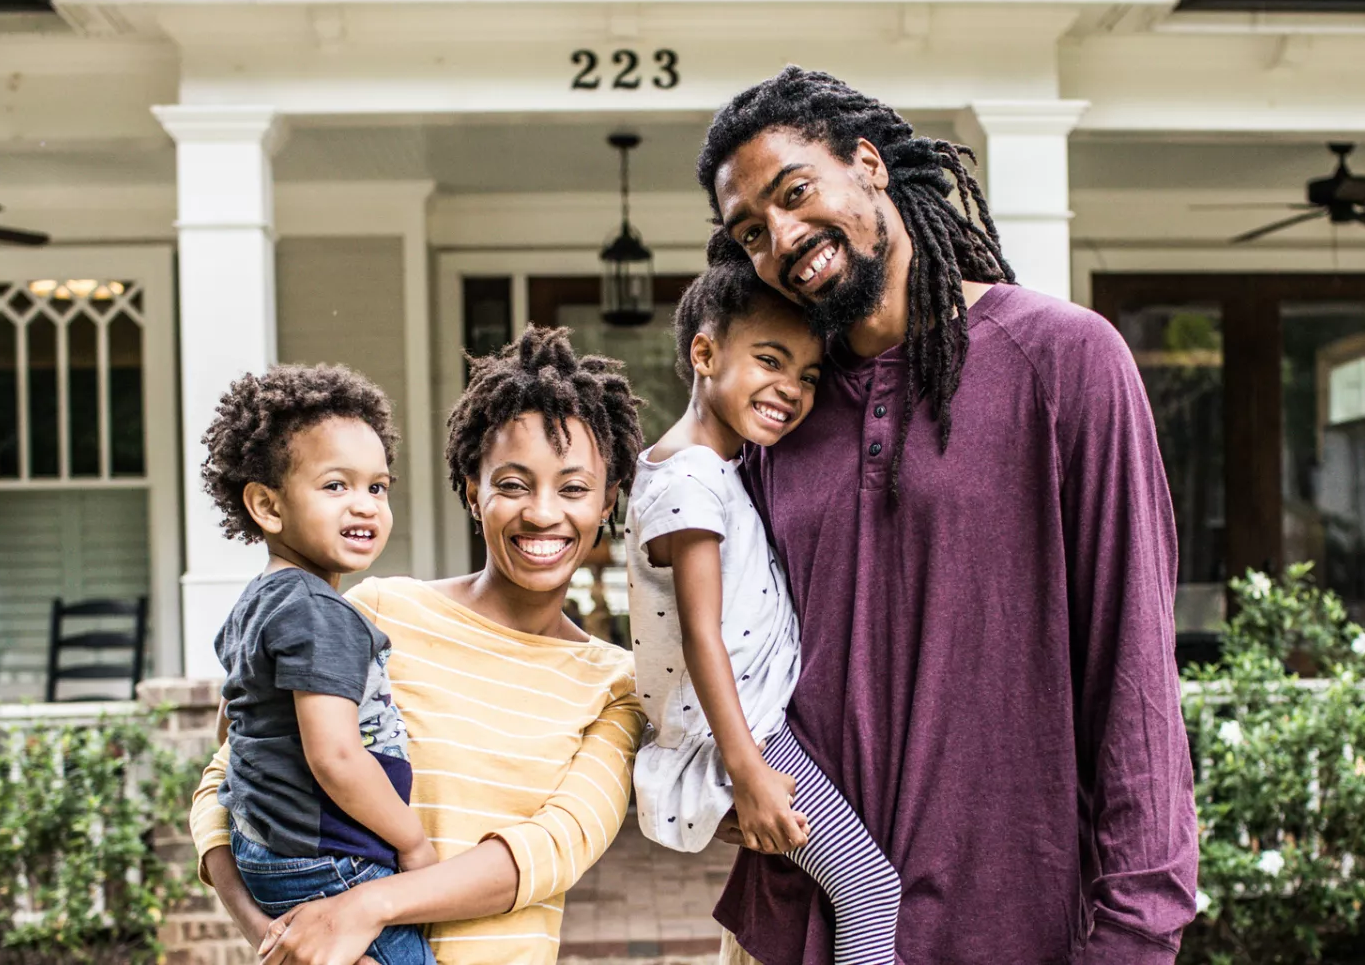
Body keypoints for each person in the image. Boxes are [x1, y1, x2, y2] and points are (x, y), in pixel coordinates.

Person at [696, 67, 1199, 964]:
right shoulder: (777, 418)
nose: (781, 238)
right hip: (808, 921)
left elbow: (1133, 666)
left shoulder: (1064, 360)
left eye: (796, 192)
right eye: (750, 232)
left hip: (1014, 919)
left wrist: (1136, 930)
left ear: (870, 164)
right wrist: (724, 771)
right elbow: (726, 626)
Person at [189, 327, 649, 965]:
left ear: (607, 504)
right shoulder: (380, 611)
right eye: (513, 484)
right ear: (471, 490)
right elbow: (232, 766)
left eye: (574, 489)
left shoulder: (617, 684)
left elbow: (550, 850)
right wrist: (270, 931)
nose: (544, 513)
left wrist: (365, 907)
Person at [627, 251, 901, 965]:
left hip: (748, 729)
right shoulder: (691, 480)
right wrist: (748, 770)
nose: (791, 389)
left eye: (807, 376)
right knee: (871, 891)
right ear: (705, 351)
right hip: (750, 738)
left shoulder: (706, 465)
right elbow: (701, 637)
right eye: (770, 361)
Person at [199, 364, 436, 965]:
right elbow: (333, 755)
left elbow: (231, 721)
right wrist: (412, 844)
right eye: (336, 486)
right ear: (268, 506)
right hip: (334, 860)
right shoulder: (318, 611)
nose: (364, 505)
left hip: (270, 848)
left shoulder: (261, 600)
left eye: (377, 487)